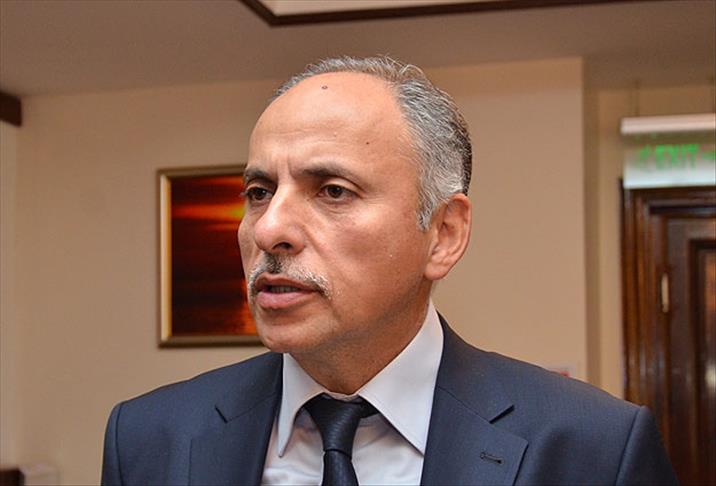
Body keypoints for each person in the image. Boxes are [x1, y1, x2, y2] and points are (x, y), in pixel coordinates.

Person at [102, 56, 677, 485]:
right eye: (259, 192)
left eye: (332, 190)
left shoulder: (593, 449)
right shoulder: (149, 439)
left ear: (443, 234)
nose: (268, 229)